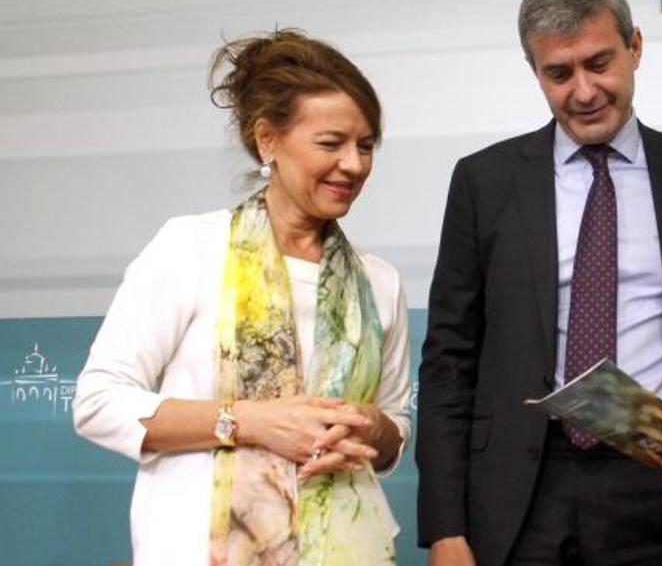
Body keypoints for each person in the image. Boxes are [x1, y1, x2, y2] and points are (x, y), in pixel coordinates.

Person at [416, 0, 662, 566]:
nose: (583, 91)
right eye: (559, 73)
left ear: (634, 47)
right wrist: (445, 526)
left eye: (599, 63)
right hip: (518, 493)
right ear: (535, 71)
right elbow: (449, 357)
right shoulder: (484, 181)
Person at [73, 30, 412, 566]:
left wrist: (374, 427)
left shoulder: (379, 283)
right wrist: (249, 421)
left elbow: (394, 425)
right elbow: (98, 403)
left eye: (365, 145)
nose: (353, 164)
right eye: (331, 143)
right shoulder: (191, 248)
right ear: (267, 140)